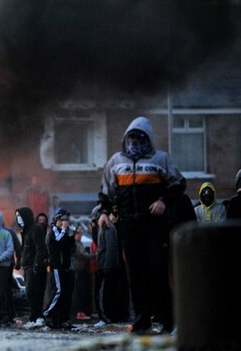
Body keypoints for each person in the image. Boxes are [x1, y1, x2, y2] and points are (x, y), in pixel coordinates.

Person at [98, 116, 185, 334]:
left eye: (140, 137)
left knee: (158, 272)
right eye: (131, 138)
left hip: (155, 226)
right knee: (135, 276)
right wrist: (104, 213)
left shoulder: (160, 159)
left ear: (148, 138)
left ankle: (168, 321)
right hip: (129, 227)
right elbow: (106, 192)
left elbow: (179, 183)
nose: (135, 142)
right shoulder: (116, 162)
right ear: (125, 139)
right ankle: (141, 321)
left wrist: (163, 201)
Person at [16, 206, 48, 330]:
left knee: (34, 292)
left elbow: (40, 249)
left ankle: (39, 317)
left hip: (35, 267)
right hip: (27, 267)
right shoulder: (26, 230)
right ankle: (33, 317)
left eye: (20, 216)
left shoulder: (36, 229)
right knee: (30, 293)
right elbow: (24, 248)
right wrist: (19, 261)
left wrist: (37, 264)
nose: (18, 219)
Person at [43, 209, 76, 329]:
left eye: (67, 219)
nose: (66, 222)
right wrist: (63, 229)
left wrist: (71, 235)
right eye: (64, 219)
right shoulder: (53, 232)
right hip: (56, 266)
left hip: (65, 267)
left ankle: (62, 319)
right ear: (58, 219)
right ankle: (47, 314)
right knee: (58, 291)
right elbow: (58, 242)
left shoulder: (65, 232)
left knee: (66, 293)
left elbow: (72, 248)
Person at [91, 206, 121, 329]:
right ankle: (106, 317)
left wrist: (106, 266)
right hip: (105, 266)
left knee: (103, 293)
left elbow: (111, 249)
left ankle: (105, 317)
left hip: (106, 267)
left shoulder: (107, 228)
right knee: (105, 293)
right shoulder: (103, 228)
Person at [71, 224, 93, 321]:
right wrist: (91, 255)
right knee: (78, 292)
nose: (81, 234)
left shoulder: (79, 243)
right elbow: (80, 254)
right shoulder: (74, 244)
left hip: (81, 269)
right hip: (76, 269)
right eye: (79, 232)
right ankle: (78, 312)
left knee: (81, 291)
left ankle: (81, 311)